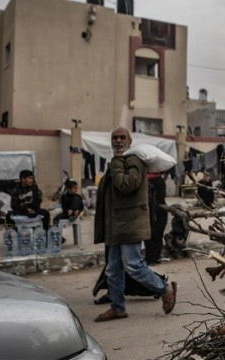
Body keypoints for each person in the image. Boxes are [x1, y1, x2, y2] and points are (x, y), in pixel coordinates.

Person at [93, 127, 177, 322]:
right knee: (113, 269)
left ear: (130, 141)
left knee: (133, 265)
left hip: (129, 224)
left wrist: (115, 163)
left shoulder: (133, 160)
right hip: (117, 225)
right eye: (115, 137)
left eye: (123, 137)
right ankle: (117, 307)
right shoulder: (120, 162)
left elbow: (126, 185)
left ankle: (165, 289)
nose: (118, 141)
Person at [145, 171, 168, 265]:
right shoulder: (160, 180)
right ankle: (156, 258)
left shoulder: (144, 181)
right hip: (160, 211)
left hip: (148, 211)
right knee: (158, 235)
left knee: (149, 236)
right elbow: (162, 196)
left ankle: (150, 258)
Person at [52, 179, 84, 244]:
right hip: (66, 214)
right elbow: (64, 207)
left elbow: (81, 207)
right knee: (55, 220)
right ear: (69, 189)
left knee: (76, 199)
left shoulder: (78, 197)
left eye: (76, 188)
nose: (76, 190)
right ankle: (59, 237)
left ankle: (73, 215)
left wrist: (78, 211)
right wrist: (67, 211)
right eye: (74, 188)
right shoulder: (64, 197)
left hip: (74, 213)